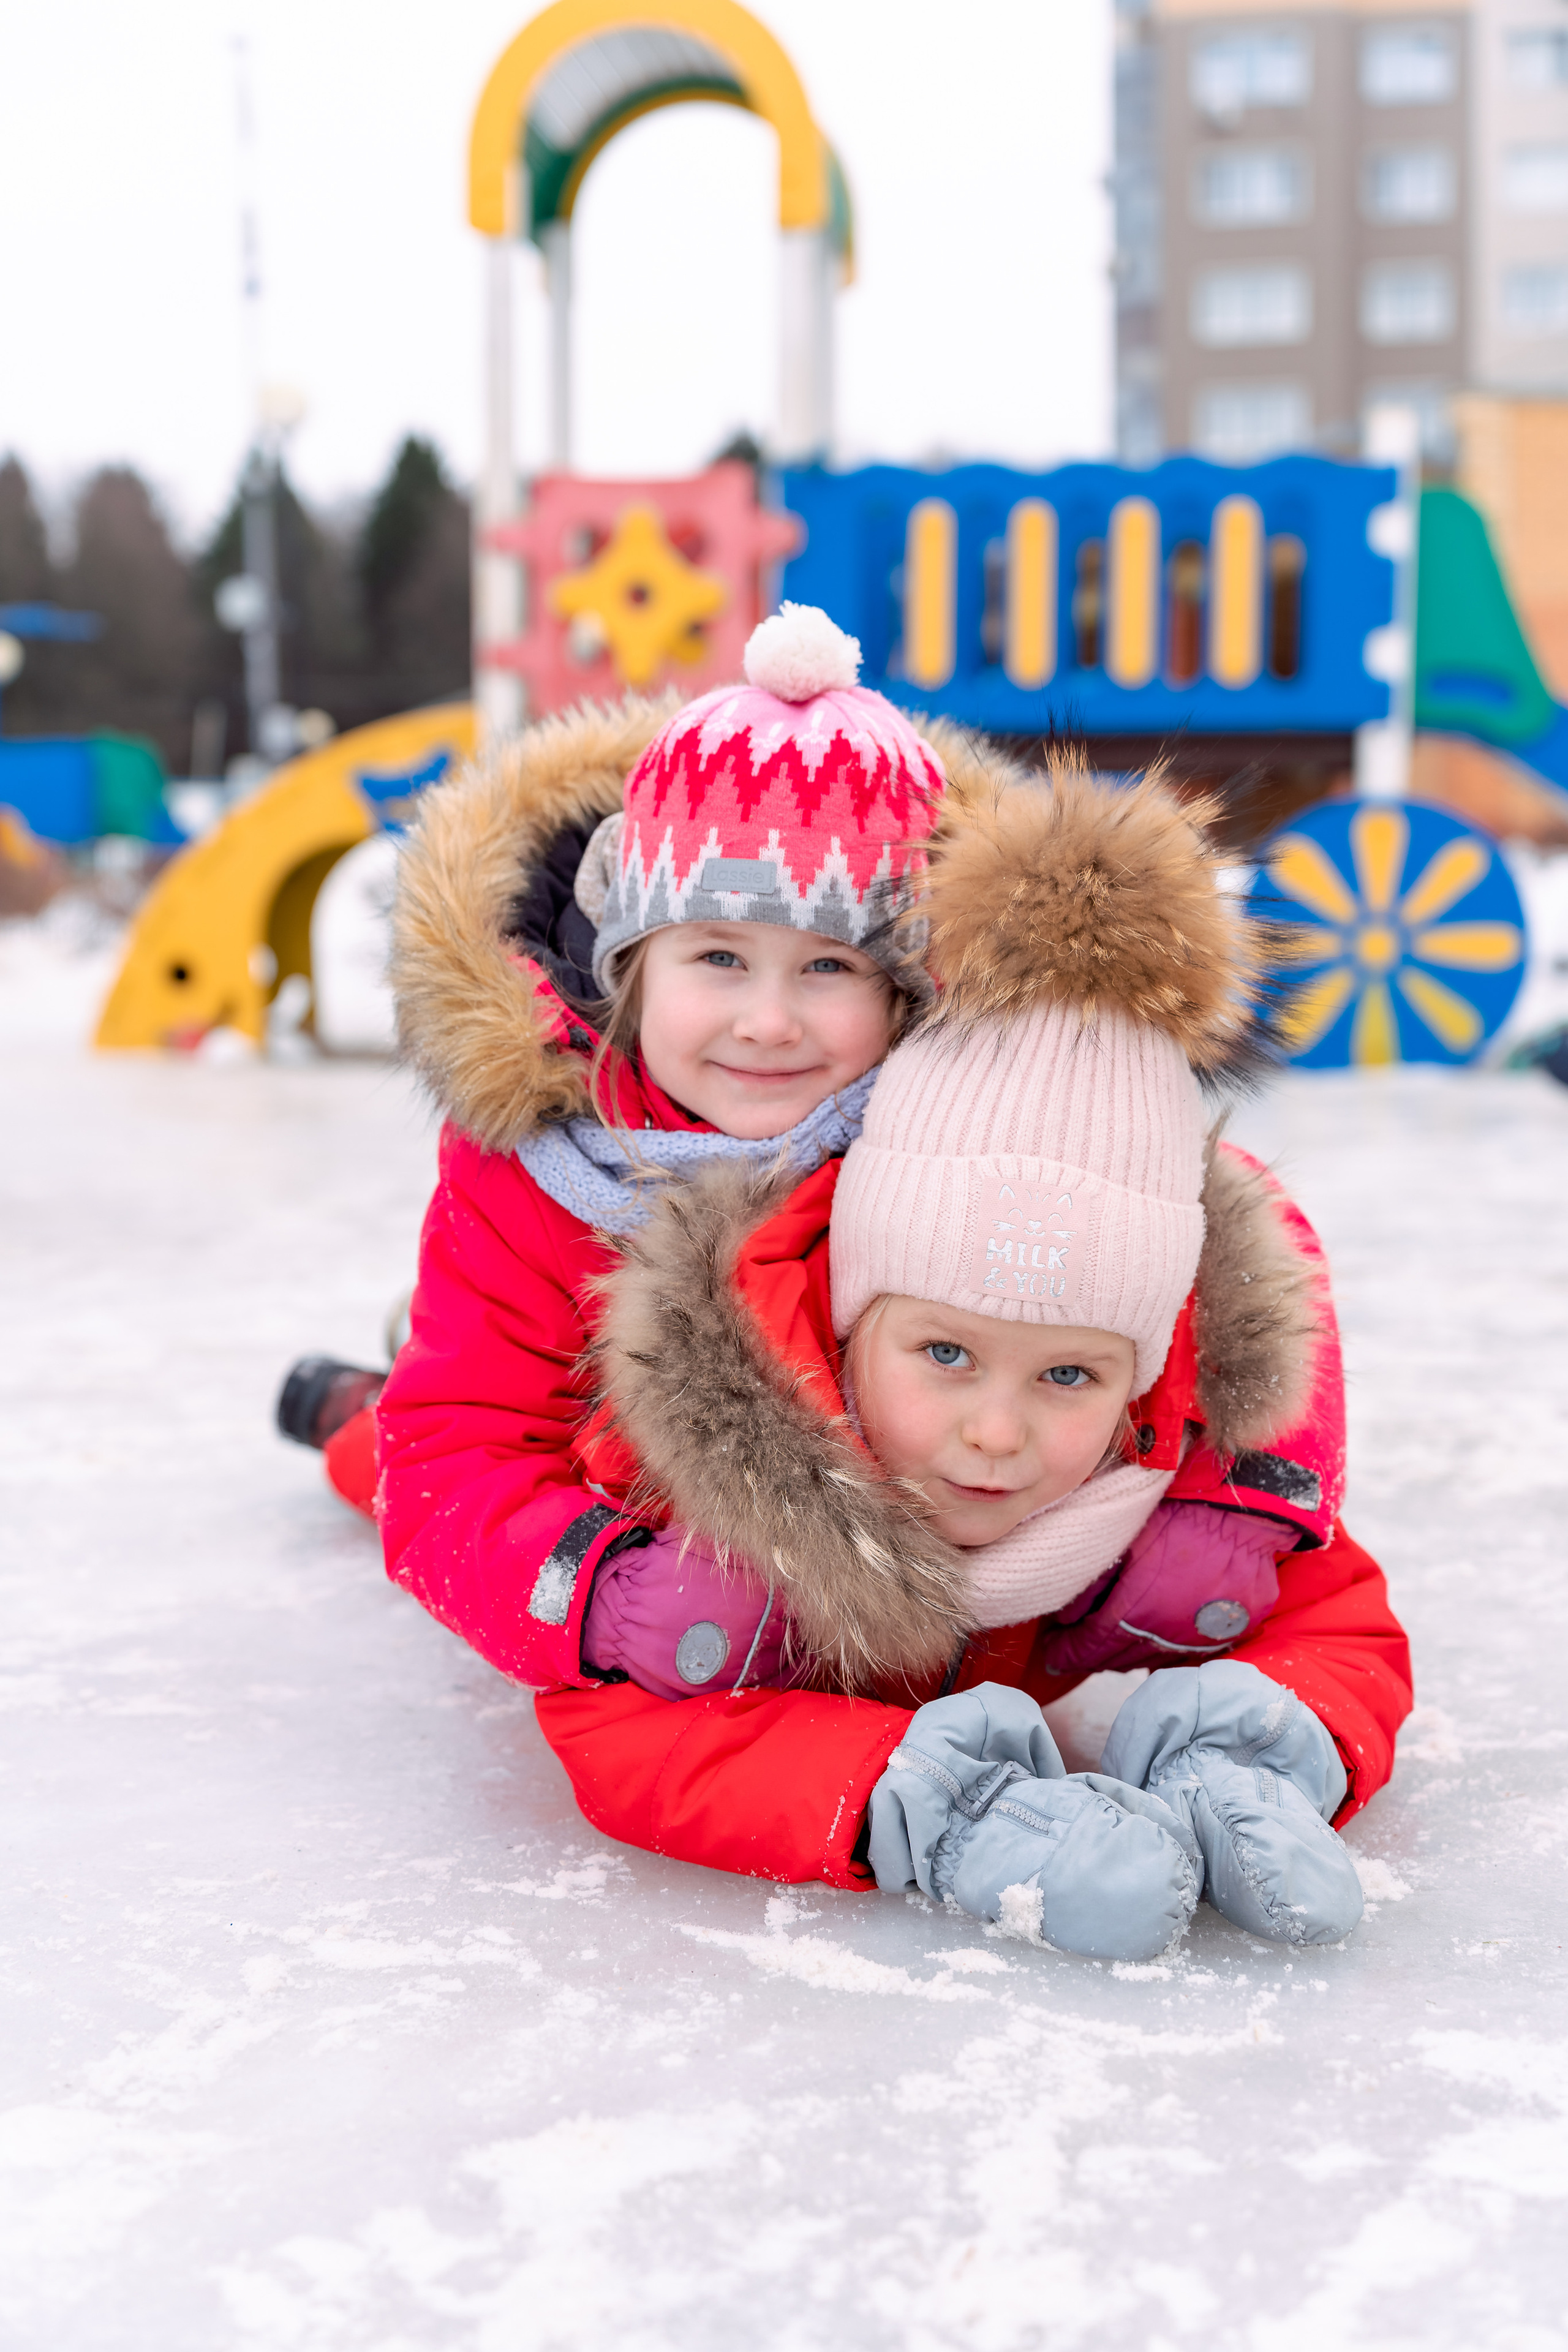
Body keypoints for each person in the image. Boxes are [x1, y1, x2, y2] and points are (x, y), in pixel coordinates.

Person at [281, 606, 1410, 1961]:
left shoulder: (958, 1100)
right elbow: (461, 1446)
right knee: (411, 1452)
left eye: (828, 969)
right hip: (646, 1505)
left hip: (930, 1482)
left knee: (1312, 1589)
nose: (769, 1019)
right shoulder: (533, 1172)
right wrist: (603, 1589)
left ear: (907, 991)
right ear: (629, 968)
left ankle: (1250, 1756)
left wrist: (1237, 1506)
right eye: (715, 960)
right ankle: (345, 1403)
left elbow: (1234, 1238)